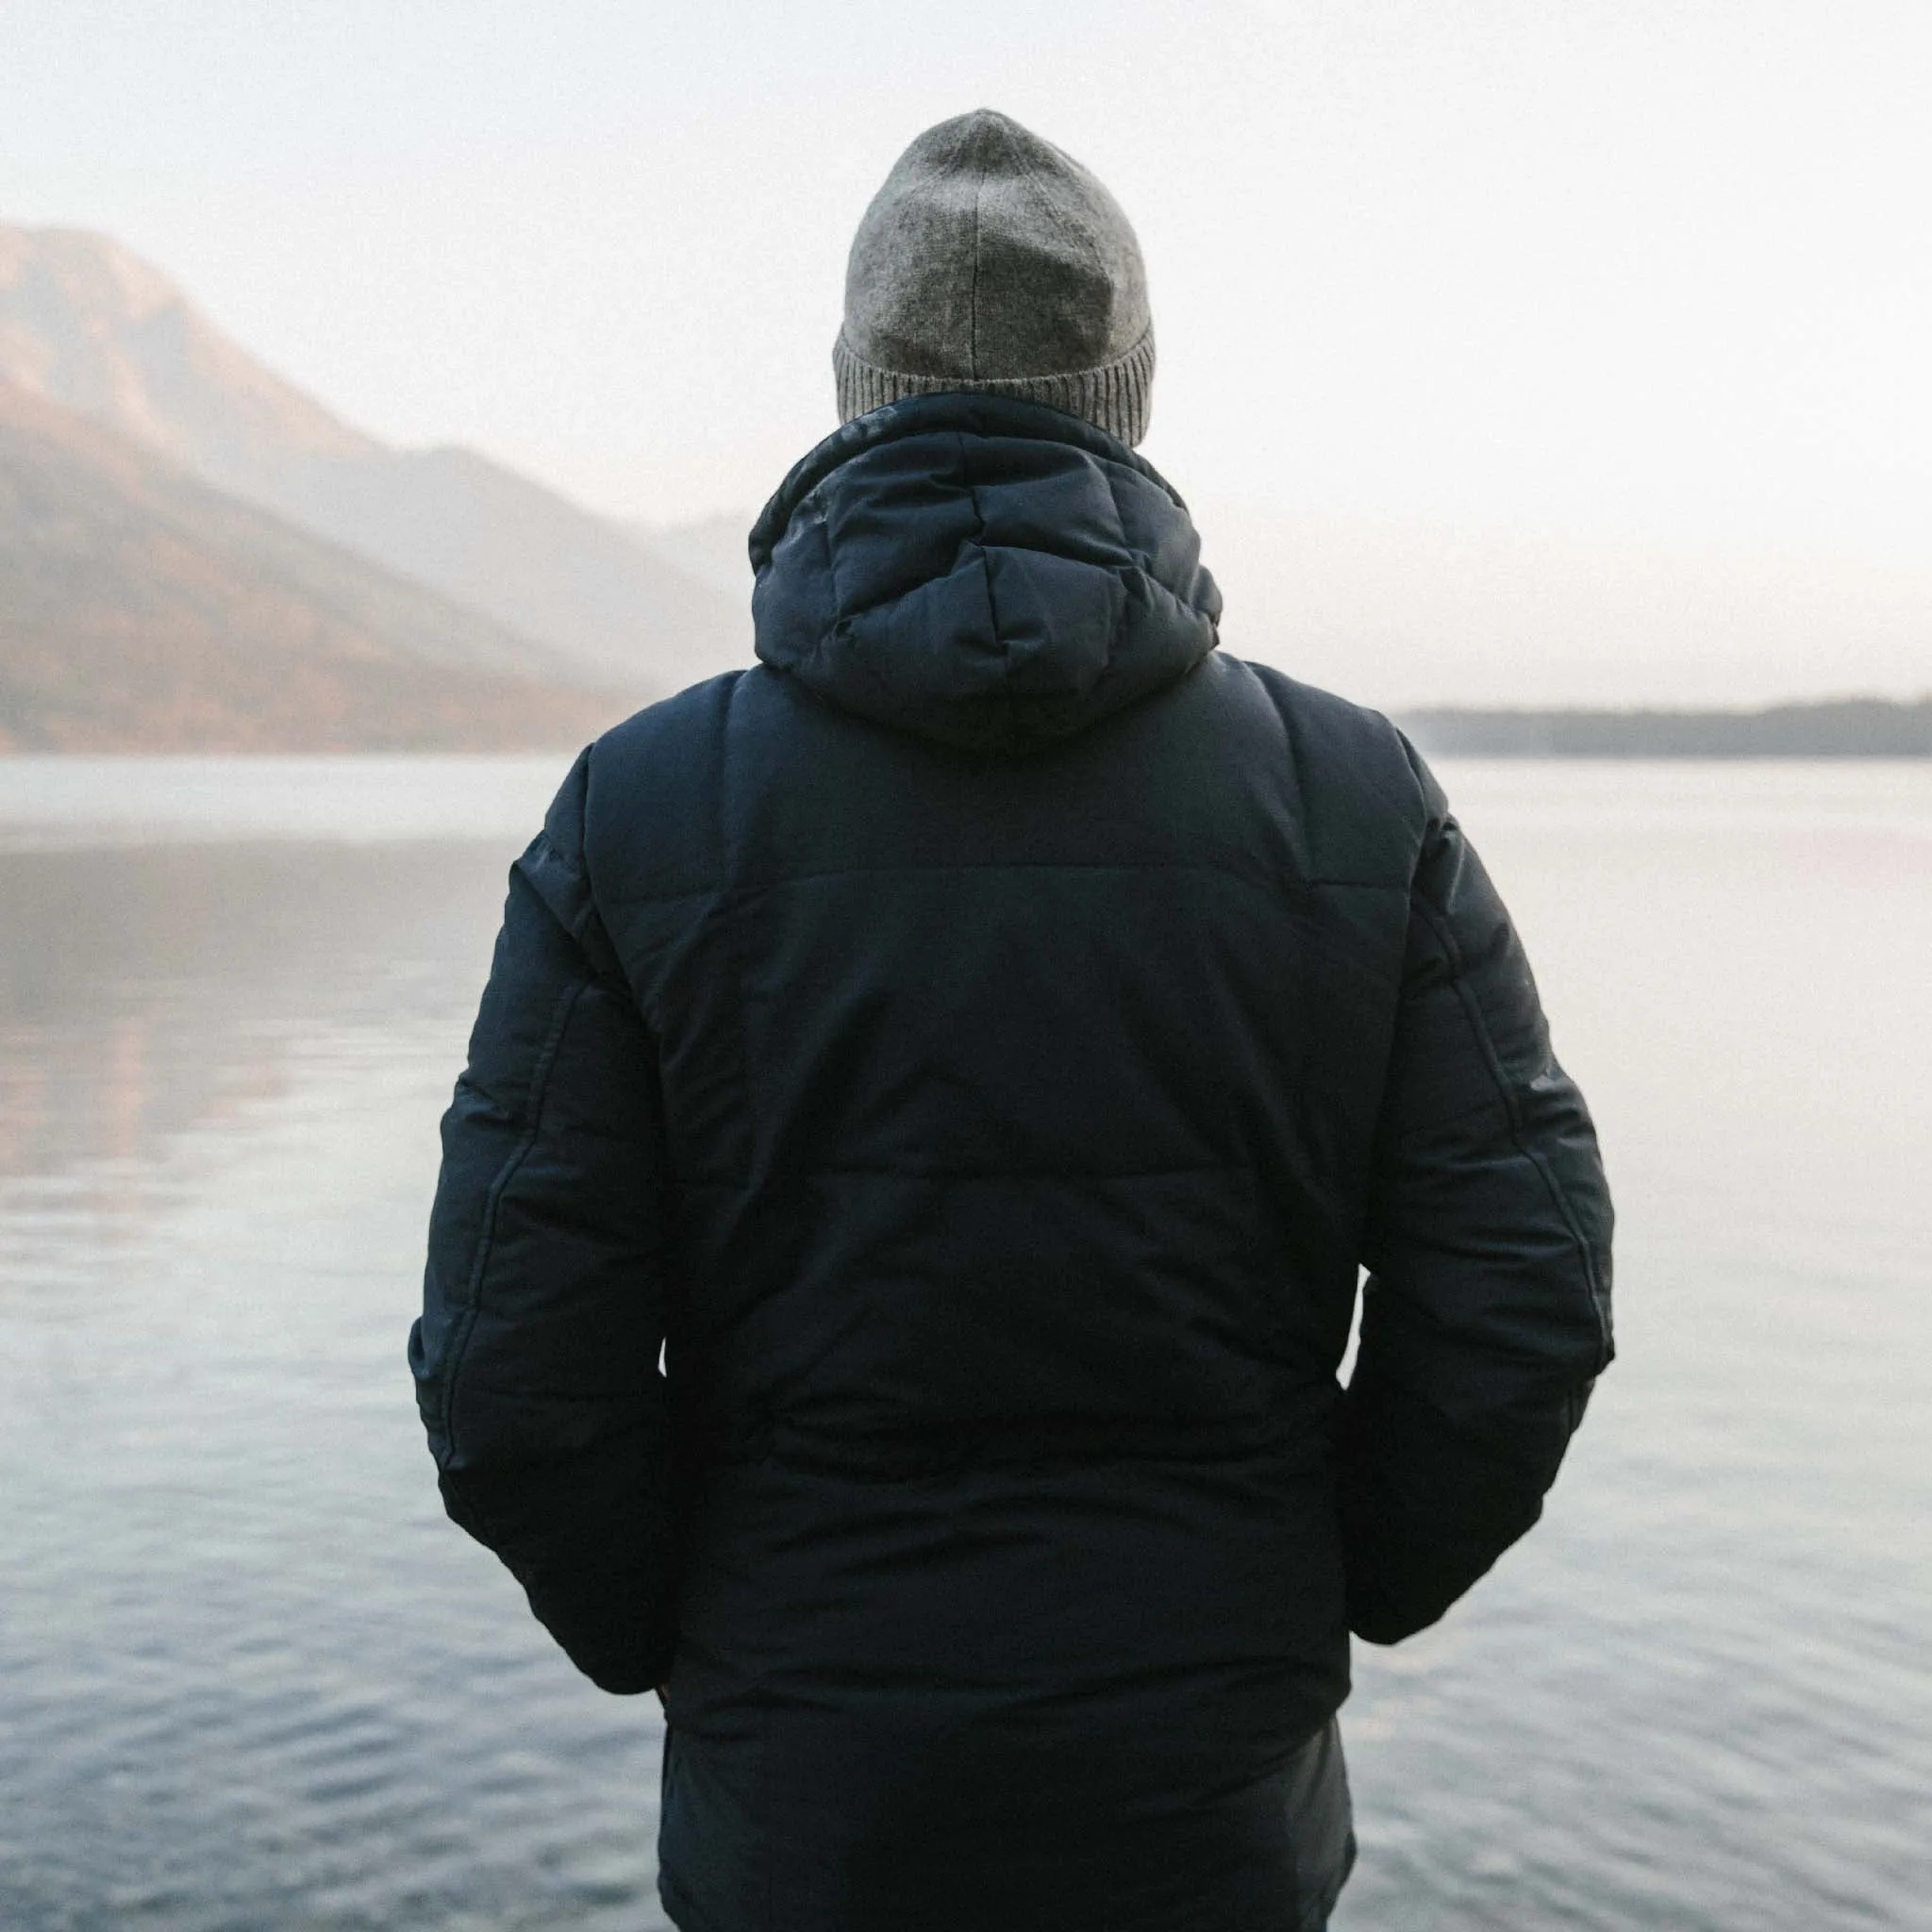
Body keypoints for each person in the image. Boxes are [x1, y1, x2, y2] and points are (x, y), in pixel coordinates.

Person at [409, 108, 1613, 1932]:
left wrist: (702, 1634)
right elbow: (1525, 1295)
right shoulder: (1354, 804)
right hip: (1209, 1811)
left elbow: (510, 1363)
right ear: (1128, 392)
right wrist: (1320, 1578)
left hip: (803, 1815)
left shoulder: (640, 811)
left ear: (851, 385)